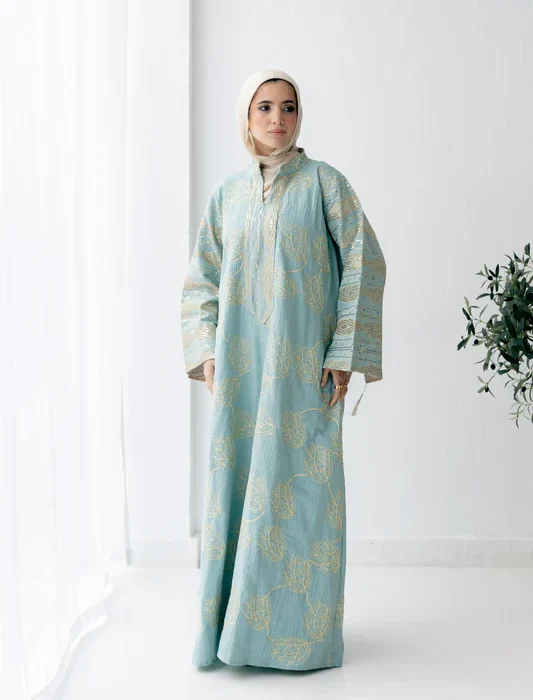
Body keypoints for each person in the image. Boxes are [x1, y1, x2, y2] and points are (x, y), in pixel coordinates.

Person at [180, 68, 386, 670]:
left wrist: (343, 355)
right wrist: (208, 352)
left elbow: (365, 261)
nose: (278, 119)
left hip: (303, 375)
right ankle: (232, 635)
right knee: (240, 489)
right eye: (265, 107)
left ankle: (302, 641)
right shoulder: (228, 196)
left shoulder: (325, 184)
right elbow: (201, 281)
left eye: (289, 107)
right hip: (242, 378)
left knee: (302, 498)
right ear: (247, 117)